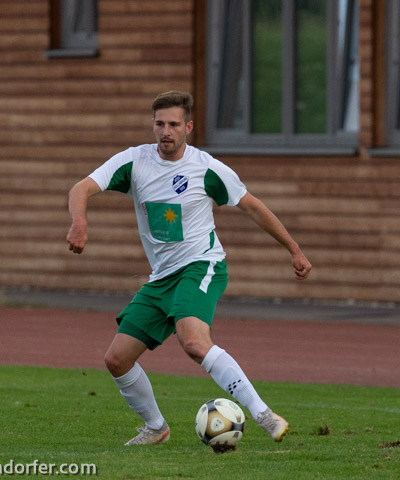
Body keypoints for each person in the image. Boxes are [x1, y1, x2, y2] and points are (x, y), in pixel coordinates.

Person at [66, 91, 311, 446]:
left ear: (188, 127)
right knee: (117, 360)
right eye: (159, 124)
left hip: (201, 265)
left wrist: (294, 249)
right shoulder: (134, 161)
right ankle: (156, 428)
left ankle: (264, 415)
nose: (166, 131)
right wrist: (79, 222)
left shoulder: (207, 168)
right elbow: (81, 187)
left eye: (174, 124)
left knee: (194, 342)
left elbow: (253, 207)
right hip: (162, 277)